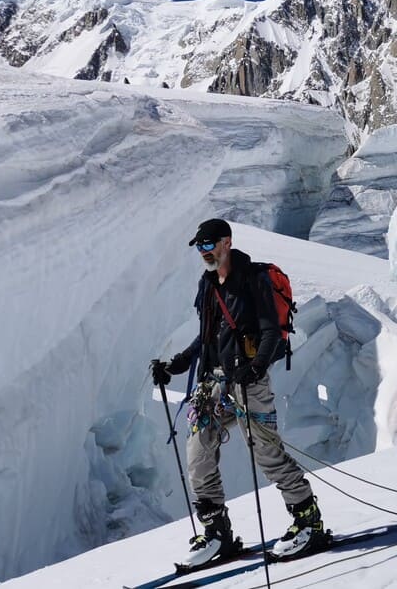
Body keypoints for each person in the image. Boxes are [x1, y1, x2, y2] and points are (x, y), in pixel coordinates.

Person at [150, 218, 328, 568]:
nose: (204, 253)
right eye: (199, 247)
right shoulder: (207, 284)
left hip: (250, 382)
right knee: (198, 453)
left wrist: (257, 366)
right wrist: (178, 364)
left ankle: (309, 520)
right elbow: (207, 336)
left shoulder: (253, 280)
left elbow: (270, 331)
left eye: (208, 245)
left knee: (267, 454)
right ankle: (217, 533)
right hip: (213, 384)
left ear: (226, 243)